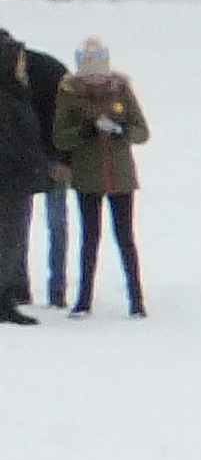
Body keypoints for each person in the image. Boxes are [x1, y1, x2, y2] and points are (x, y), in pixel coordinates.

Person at [53, 33, 147, 317]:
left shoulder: (122, 90)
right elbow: (60, 137)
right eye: (89, 77)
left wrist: (122, 131)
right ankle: (84, 300)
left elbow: (142, 130)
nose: (96, 83)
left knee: (125, 237)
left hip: (120, 177)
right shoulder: (69, 93)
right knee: (90, 238)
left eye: (100, 76)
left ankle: (136, 300)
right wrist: (87, 131)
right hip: (87, 177)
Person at [5, 17, 65, 309]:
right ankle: (24, 289)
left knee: (40, 224)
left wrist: (62, 158)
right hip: (30, 161)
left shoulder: (46, 71)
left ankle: (49, 290)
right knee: (24, 226)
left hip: (46, 158)